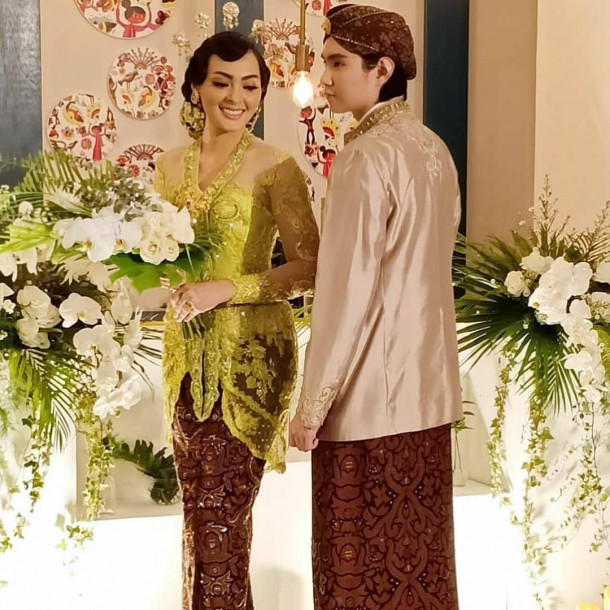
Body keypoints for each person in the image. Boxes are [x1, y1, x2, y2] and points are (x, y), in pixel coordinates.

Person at [289, 5, 462, 609]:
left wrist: (311, 407)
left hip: (366, 404)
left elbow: (346, 291)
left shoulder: (364, 156)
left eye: (338, 63)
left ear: (382, 69)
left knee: (360, 575)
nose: (325, 79)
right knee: (420, 571)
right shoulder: (434, 149)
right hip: (428, 399)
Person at [153, 31, 319, 610]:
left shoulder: (277, 167)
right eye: (221, 82)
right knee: (198, 515)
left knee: (222, 517)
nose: (236, 97)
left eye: (250, 86)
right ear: (196, 88)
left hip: (252, 357)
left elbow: (309, 267)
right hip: (185, 354)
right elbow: (159, 256)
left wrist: (228, 288)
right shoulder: (167, 167)